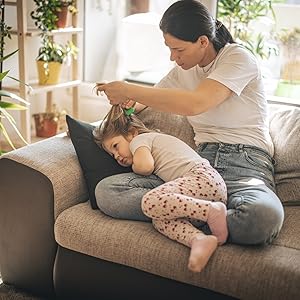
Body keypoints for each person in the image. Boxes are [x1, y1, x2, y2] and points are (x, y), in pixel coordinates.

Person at [94, 0, 284, 246]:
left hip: (245, 164)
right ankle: (205, 214)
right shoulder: (182, 71)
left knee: (262, 219)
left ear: (203, 41)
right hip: (195, 166)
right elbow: (137, 105)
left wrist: (129, 88)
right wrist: (116, 109)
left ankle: (182, 215)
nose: (173, 58)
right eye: (169, 49)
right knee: (107, 193)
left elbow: (196, 103)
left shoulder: (238, 58)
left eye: (179, 50)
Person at [93, 105, 228, 272]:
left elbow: (145, 167)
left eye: (115, 146)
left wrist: (134, 166)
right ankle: (198, 239)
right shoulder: (149, 142)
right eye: (112, 155)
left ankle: (211, 211)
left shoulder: (140, 140)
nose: (117, 156)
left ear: (132, 133)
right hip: (207, 189)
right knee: (159, 218)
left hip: (201, 178)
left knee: (149, 202)